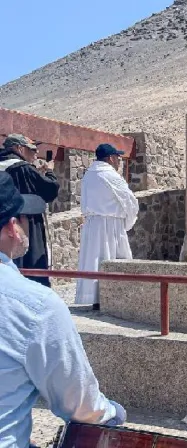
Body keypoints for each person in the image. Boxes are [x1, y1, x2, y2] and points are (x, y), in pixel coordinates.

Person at [0, 172, 126, 447]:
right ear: (12, 226)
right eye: (25, 219)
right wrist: (115, 412)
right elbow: (82, 406)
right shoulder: (35, 305)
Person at [75, 144, 139, 306]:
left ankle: (92, 298)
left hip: (92, 225)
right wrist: (128, 222)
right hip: (111, 225)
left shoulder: (88, 175)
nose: (119, 162)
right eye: (117, 158)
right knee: (113, 258)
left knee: (93, 260)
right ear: (111, 158)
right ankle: (114, 299)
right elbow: (129, 201)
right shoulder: (110, 175)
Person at [0, 134, 59, 287]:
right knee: (31, 271)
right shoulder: (23, 169)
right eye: (31, 150)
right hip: (26, 225)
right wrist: (49, 172)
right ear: (18, 148)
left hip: (3, 224)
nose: (35, 154)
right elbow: (49, 190)